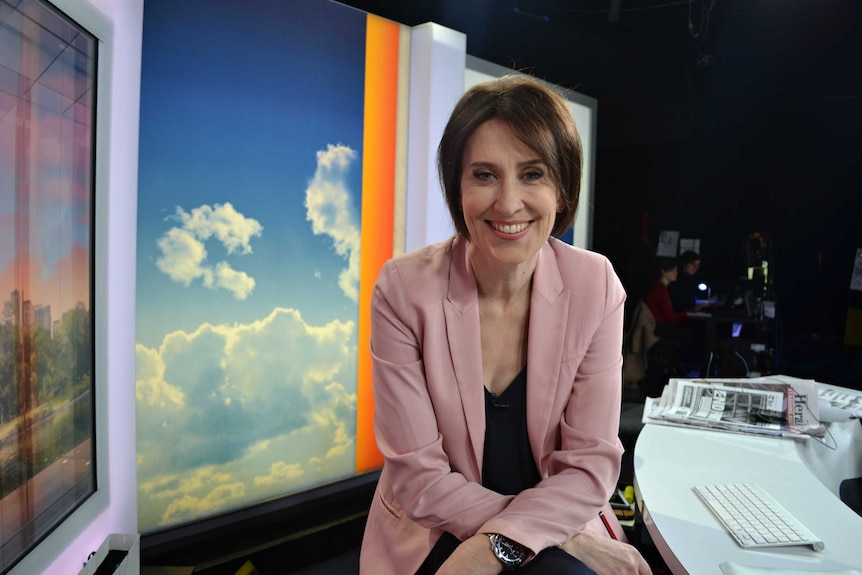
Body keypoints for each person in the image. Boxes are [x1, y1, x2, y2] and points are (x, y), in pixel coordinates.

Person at [359, 75, 651, 575]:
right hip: (434, 527)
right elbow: (420, 480)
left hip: (559, 513)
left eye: (533, 174)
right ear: (457, 187)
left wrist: (497, 545)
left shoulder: (595, 283)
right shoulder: (403, 289)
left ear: (563, 188)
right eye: (485, 175)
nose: (508, 202)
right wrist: (523, 539)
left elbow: (588, 465)